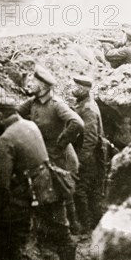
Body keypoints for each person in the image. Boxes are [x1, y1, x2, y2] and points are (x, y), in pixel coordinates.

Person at [0, 97, 77, 260]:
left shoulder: (6, 140)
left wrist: (0, 202)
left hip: (36, 188)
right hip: (50, 180)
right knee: (61, 228)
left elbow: (3, 180)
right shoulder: (29, 124)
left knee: (10, 219)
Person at [18, 65, 84, 234]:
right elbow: (15, 113)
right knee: (53, 192)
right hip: (45, 154)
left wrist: (61, 143)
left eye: (35, 82)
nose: (31, 84)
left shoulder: (56, 105)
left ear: (45, 87)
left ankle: (71, 229)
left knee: (62, 192)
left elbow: (77, 123)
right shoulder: (33, 102)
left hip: (61, 157)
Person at [71, 76, 106, 232]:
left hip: (90, 156)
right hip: (92, 154)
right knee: (93, 192)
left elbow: (90, 139)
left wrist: (79, 161)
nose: (73, 89)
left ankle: (85, 228)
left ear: (84, 90)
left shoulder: (88, 109)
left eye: (76, 87)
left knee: (80, 190)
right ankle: (97, 226)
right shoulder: (85, 104)